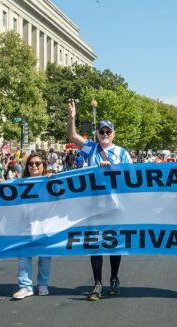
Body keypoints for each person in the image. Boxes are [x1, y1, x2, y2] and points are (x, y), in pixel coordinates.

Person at [67, 100, 133, 301]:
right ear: (97, 134)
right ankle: (97, 283)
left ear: (114, 134)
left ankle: (114, 278)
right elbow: (72, 136)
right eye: (102, 132)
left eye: (108, 132)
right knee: (95, 243)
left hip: (115, 205)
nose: (105, 135)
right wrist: (71, 117)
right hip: (94, 205)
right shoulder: (91, 149)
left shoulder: (122, 152)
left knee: (114, 242)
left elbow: (131, 178)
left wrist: (111, 168)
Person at [12, 153, 54, 300]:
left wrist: (53, 181)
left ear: (44, 166)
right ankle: (25, 287)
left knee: (45, 258)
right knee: (24, 257)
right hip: (25, 225)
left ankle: (43, 284)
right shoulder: (19, 183)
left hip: (45, 225)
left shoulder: (51, 182)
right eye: (31, 164)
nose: (34, 166)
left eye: (37, 163)